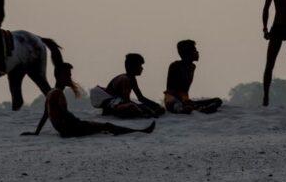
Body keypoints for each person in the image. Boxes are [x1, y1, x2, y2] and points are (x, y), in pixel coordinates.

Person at [21, 62, 156, 139]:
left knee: (103, 127)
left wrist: (37, 132)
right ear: (58, 76)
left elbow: (46, 114)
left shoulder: (51, 92)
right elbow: (65, 114)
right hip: (71, 129)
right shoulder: (57, 94)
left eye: (70, 74)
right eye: (67, 75)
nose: (69, 77)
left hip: (67, 129)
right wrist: (79, 122)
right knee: (107, 126)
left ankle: (137, 131)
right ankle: (140, 132)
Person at [95, 54, 165, 118]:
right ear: (134, 67)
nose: (142, 68)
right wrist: (147, 110)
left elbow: (140, 98)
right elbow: (127, 101)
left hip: (119, 103)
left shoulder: (132, 78)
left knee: (156, 109)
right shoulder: (125, 79)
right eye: (140, 66)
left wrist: (156, 106)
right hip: (112, 107)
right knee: (133, 107)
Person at [164, 40, 223, 114]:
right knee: (185, 108)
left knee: (217, 101)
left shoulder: (192, 67)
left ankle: (196, 108)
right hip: (173, 100)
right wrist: (185, 101)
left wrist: (187, 101)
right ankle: (194, 108)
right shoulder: (175, 66)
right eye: (194, 50)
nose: (197, 52)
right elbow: (172, 91)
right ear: (187, 53)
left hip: (185, 100)